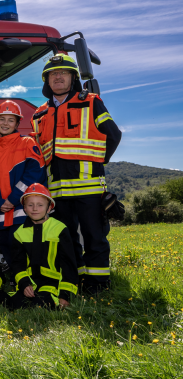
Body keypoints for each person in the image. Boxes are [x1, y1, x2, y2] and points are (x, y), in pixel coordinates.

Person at [31, 54, 122, 295]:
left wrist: (96, 163)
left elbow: (113, 135)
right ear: (47, 81)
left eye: (63, 72)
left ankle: (99, 285)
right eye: (53, 74)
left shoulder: (91, 102)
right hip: (57, 191)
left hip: (88, 187)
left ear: (73, 77)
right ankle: (77, 280)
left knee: (94, 237)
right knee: (67, 238)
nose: (58, 76)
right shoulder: (39, 114)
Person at [0, 100, 45, 272]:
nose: (5, 123)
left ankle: (31, 283)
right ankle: (16, 281)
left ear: (18, 123)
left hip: (23, 211)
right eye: (2, 119)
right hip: (2, 212)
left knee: (27, 247)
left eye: (11, 120)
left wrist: (12, 199)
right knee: (7, 245)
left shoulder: (27, 143)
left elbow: (34, 173)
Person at [7, 184, 78, 309]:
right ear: (24, 208)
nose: (35, 209)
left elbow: (68, 264)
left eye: (40, 205)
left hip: (52, 283)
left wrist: (65, 295)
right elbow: (17, 263)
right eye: (30, 205)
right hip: (30, 283)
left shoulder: (60, 229)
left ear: (49, 208)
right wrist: (24, 284)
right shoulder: (19, 233)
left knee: (41, 305)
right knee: (14, 304)